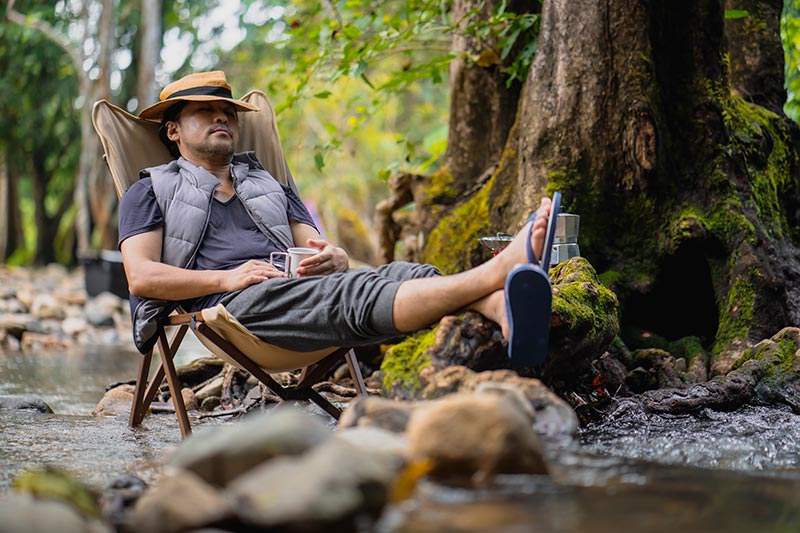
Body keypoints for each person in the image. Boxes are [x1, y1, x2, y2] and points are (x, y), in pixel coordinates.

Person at [119, 71, 552, 355]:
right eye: (205, 112)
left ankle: (498, 306)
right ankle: (498, 272)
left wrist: (336, 257)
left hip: (292, 293)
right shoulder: (149, 189)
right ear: (173, 130)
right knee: (353, 293)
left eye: (228, 113)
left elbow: (315, 246)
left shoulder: (267, 183)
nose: (222, 118)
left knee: (406, 272)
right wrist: (226, 278)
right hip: (232, 308)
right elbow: (141, 277)